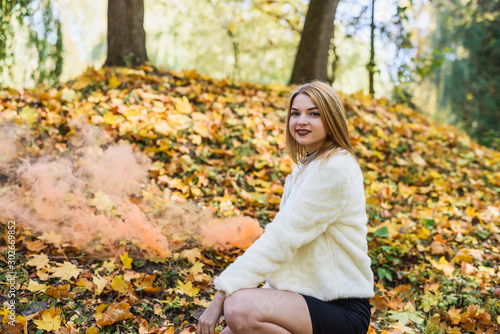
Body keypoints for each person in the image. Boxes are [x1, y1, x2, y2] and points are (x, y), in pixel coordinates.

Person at [197, 81, 374, 334]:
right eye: (295, 113)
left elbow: (282, 238)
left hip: (340, 309)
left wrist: (222, 294)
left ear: (331, 118)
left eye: (314, 113)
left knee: (238, 309)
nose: (302, 121)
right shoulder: (307, 166)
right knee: (234, 327)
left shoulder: (335, 169)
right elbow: (289, 254)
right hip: (307, 299)